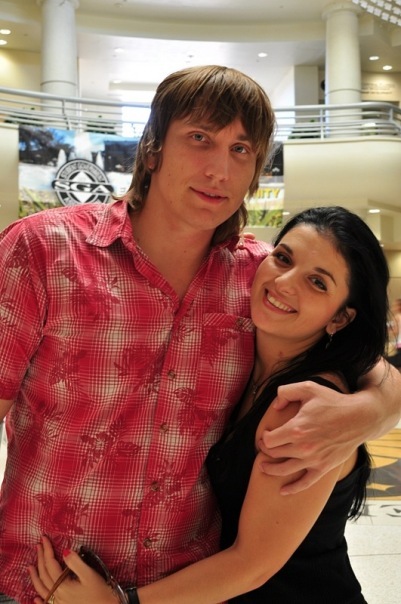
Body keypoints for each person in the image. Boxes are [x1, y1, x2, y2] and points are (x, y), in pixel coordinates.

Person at [0, 65, 400, 603]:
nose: (219, 169)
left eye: (241, 150)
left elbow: (373, 365)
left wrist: (368, 412)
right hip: (41, 585)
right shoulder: (44, 251)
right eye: (199, 138)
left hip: (186, 589)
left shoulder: (258, 277)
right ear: (152, 149)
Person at [30, 206, 390, 604]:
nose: (285, 282)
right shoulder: (249, 361)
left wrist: (121, 602)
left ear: (340, 318)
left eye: (317, 283)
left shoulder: (303, 407)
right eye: (284, 258)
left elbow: (252, 563)